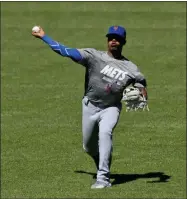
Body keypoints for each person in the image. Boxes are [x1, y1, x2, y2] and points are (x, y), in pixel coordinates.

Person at [32, 25, 148, 189]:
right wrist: (44, 36)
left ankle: (103, 178)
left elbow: (141, 83)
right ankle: (101, 160)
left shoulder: (131, 68)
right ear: (107, 41)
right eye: (111, 38)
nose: (114, 41)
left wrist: (142, 95)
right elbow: (66, 51)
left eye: (118, 39)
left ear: (123, 42)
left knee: (105, 133)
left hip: (111, 108)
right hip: (90, 106)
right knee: (88, 147)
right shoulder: (93, 56)